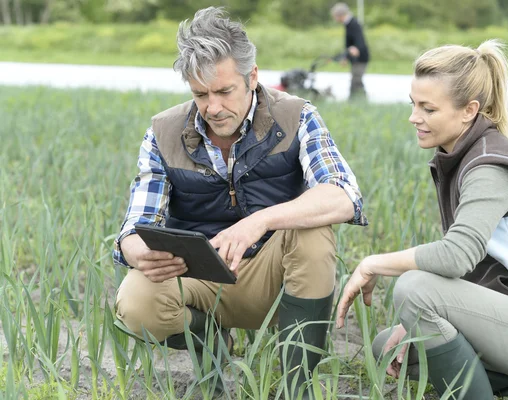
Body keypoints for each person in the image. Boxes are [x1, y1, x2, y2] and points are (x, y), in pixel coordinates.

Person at [112, 6, 367, 399]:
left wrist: (261, 221)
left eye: (223, 91)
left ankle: (296, 386)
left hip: (274, 276)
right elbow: (137, 221)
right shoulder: (163, 132)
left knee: (313, 231)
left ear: (252, 77)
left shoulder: (297, 116)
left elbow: (343, 194)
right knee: (135, 301)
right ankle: (211, 347)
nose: (212, 107)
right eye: (200, 94)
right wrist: (134, 249)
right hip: (201, 276)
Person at [336, 39, 508, 399]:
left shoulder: (490, 166)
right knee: (391, 344)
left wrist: (372, 263)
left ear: (468, 110)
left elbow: (455, 256)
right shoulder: (463, 156)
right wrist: (410, 321)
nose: (414, 117)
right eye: (413, 104)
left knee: (413, 290)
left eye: (428, 109)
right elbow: (478, 269)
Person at [330, 2, 370, 100]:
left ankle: (362, 100)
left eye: (335, 16)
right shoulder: (348, 24)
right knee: (355, 80)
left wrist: (356, 48)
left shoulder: (353, 23)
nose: (335, 19)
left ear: (340, 15)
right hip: (355, 57)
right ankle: (354, 100)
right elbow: (350, 44)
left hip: (360, 57)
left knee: (356, 80)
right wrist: (346, 57)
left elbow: (360, 40)